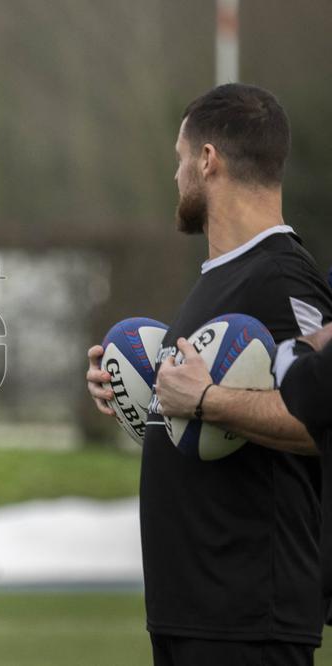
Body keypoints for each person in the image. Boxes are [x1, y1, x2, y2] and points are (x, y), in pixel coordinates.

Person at [86, 83, 332, 666]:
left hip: (247, 618)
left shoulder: (282, 278)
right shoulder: (220, 277)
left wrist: (203, 401)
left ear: (207, 161)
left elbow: (319, 420)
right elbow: (213, 416)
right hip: (193, 613)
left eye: (179, 159)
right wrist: (146, 398)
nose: (175, 176)